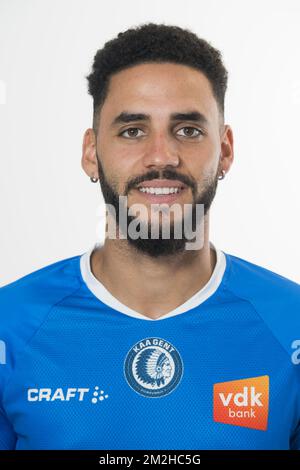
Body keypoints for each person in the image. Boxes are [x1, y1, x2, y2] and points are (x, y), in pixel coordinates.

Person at [0, 22, 299, 450]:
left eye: (188, 130)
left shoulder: (290, 325)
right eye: (133, 131)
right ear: (91, 153)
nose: (162, 156)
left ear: (226, 150)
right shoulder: (9, 327)